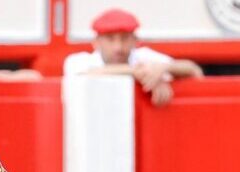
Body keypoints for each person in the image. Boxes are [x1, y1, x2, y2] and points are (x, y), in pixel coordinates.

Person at [63, 8, 203, 106]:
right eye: (110, 39)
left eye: (124, 39)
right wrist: (140, 73)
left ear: (136, 41)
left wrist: (162, 68)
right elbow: (85, 73)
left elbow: (194, 70)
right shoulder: (79, 60)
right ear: (96, 43)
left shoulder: (143, 57)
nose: (118, 47)